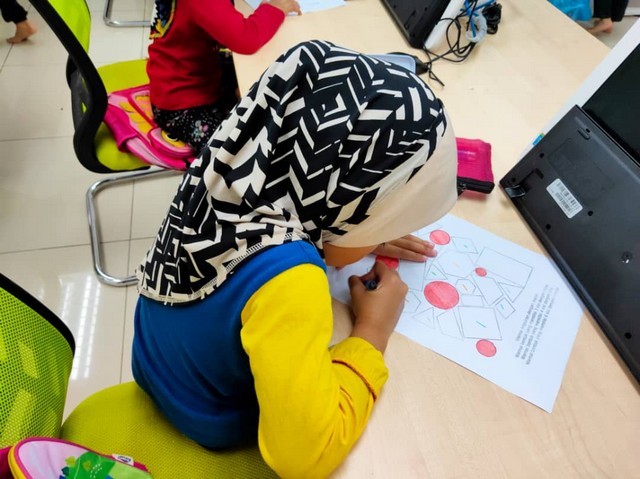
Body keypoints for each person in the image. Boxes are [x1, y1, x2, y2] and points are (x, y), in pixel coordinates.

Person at [132, 40, 459, 478]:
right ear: (342, 203)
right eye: (376, 222)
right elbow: (301, 458)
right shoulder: (291, 279)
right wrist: (372, 332)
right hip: (209, 414)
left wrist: (360, 234)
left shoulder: (226, 168)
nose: (379, 237)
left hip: (154, 363)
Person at [147, 0, 302, 155]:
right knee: (241, 153)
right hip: (181, 102)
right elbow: (245, 39)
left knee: (275, 73)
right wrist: (275, 8)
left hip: (196, 68)